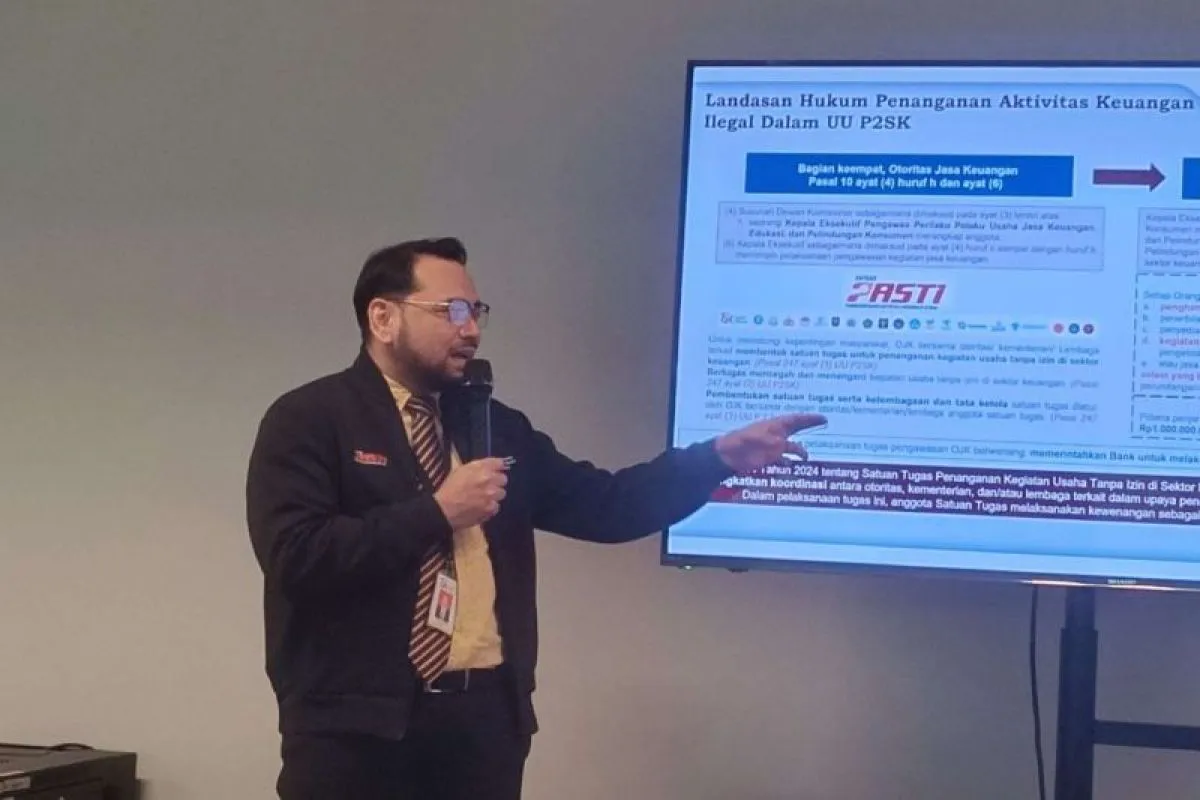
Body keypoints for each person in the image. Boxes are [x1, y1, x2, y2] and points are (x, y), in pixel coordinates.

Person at [245, 237, 826, 800]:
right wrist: (436, 513)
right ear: (383, 317)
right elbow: (297, 557)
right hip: (353, 733)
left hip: (483, 727)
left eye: (476, 312)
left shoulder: (495, 426)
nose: (471, 330)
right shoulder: (310, 419)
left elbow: (608, 505)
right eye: (451, 311)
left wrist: (716, 459)